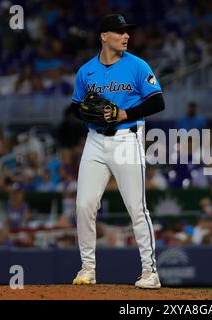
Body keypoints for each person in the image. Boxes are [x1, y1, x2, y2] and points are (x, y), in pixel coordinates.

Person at [70, 14, 165, 289]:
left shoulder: (137, 65)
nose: (126, 36)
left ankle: (150, 272)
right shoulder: (86, 71)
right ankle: (88, 268)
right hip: (95, 140)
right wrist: (89, 114)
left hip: (128, 138)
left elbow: (158, 102)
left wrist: (124, 113)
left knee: (137, 208)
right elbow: (77, 106)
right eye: (119, 32)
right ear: (104, 36)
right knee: (84, 205)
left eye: (127, 32)